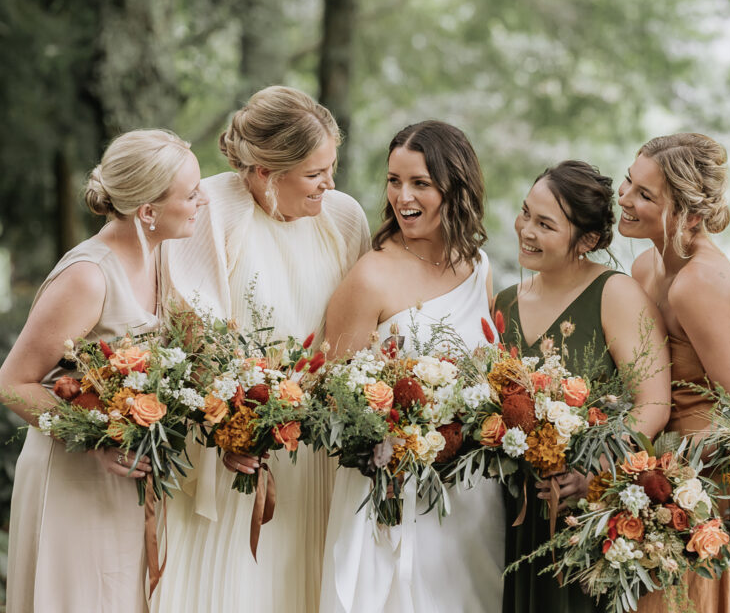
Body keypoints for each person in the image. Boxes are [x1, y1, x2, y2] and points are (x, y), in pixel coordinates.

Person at [152, 86, 370, 613]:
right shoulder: (211, 208)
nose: (330, 183)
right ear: (266, 171)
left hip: (317, 451)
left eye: (332, 167)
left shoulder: (343, 217)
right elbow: (193, 332)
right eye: (316, 173)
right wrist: (239, 424)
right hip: (235, 449)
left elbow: (364, 332)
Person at [1, 129, 206, 612]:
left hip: (129, 478)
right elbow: (12, 382)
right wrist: (95, 441)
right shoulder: (88, 277)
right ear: (147, 212)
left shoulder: (159, 255)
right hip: (76, 475)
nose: (203, 203)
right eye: (192, 194)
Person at [319, 120, 505, 613]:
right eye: (394, 180)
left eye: (420, 183)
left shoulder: (478, 266)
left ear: (455, 187)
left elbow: (489, 371)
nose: (403, 196)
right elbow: (331, 392)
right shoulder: (371, 276)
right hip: (393, 492)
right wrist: (393, 438)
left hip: (470, 493)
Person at [616, 133, 730, 612]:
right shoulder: (645, 266)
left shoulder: (697, 284)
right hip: (660, 473)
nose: (625, 199)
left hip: (712, 487)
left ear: (688, 214)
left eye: (645, 195)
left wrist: (682, 481)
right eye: (629, 182)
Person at [493, 160, 671, 613]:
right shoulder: (505, 301)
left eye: (545, 224)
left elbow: (654, 402)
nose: (526, 230)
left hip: (585, 510)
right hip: (513, 512)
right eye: (525, 213)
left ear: (587, 240)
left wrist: (594, 472)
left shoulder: (617, 294)